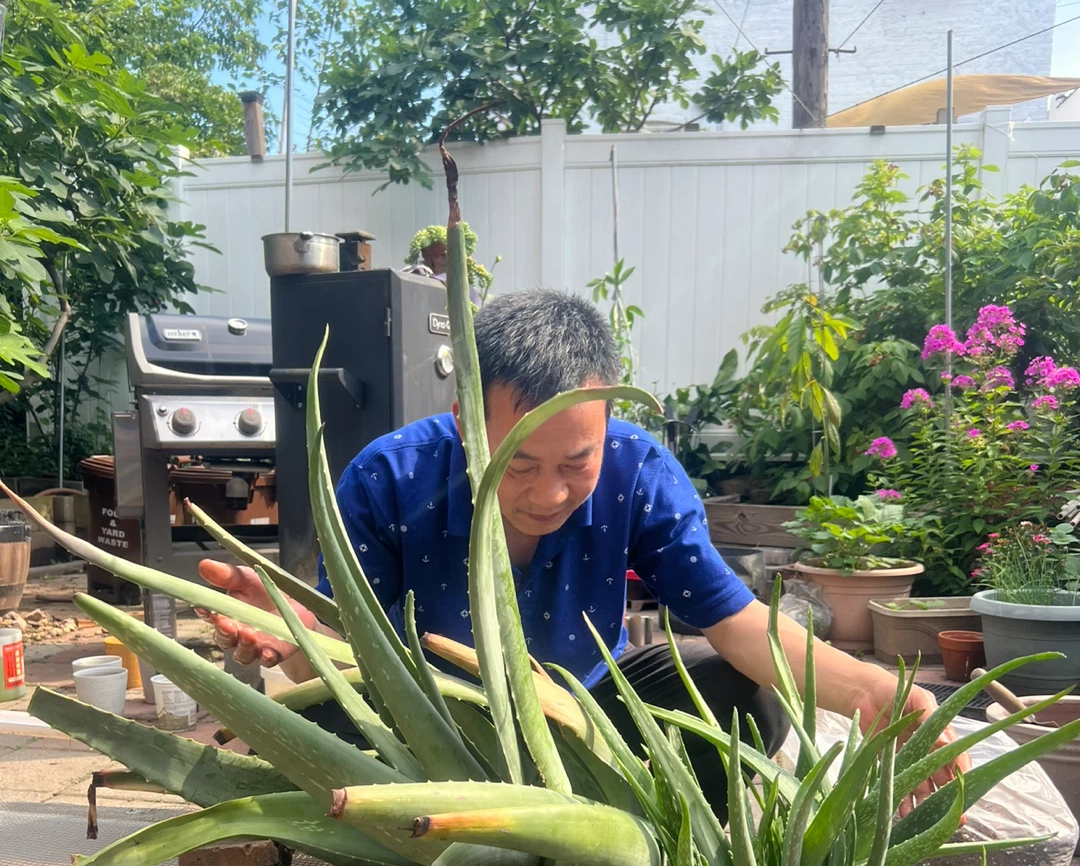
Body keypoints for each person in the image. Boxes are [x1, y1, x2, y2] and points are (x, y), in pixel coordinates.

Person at [199, 289, 963, 815]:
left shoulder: (638, 468)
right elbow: (337, 659)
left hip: (589, 721)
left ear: (608, 418)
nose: (550, 494)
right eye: (519, 464)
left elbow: (734, 621)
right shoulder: (387, 478)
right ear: (466, 418)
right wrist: (291, 640)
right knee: (323, 723)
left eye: (577, 463)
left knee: (734, 687)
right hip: (433, 739)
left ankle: (642, 840)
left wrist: (871, 693)